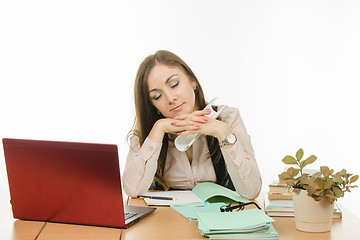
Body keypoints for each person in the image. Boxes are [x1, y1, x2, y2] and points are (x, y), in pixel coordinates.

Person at [122, 50, 262, 199]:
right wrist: (159, 129)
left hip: (220, 217)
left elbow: (252, 191)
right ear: (152, 104)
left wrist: (223, 132)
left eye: (174, 84)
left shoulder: (227, 117)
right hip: (167, 219)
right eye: (157, 96)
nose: (170, 98)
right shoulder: (150, 130)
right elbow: (133, 190)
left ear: (192, 81)